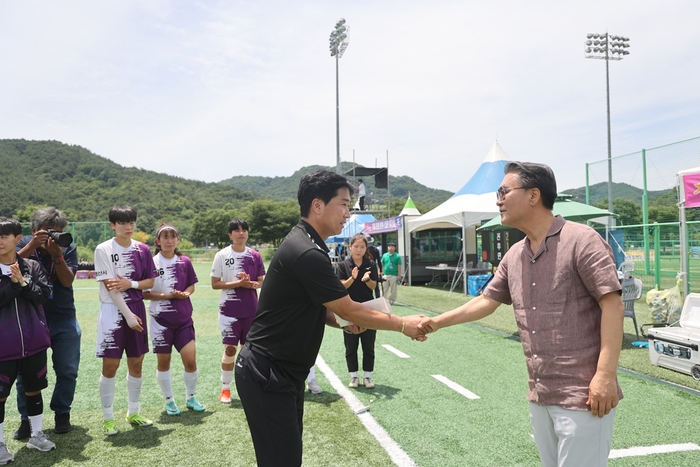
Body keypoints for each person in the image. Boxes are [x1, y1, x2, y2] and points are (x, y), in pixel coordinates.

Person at [418, 162, 624, 467]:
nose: (498, 200)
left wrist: (605, 375)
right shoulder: (514, 255)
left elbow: (612, 304)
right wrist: (436, 322)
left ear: (533, 195)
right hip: (540, 394)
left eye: (503, 191)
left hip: (585, 395)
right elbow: (486, 301)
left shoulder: (582, 240)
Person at [234, 169, 427, 467]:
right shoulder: (307, 252)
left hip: (282, 373)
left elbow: (324, 308)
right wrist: (402, 324)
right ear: (318, 205)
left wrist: (343, 322)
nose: (349, 213)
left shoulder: (310, 246)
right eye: (344, 204)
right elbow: (347, 306)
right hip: (268, 372)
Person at [13, 208, 80, 439]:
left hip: (63, 317)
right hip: (31, 318)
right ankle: (26, 420)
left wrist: (57, 255)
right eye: (47, 232)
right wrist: (31, 246)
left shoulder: (66, 245)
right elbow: (8, 269)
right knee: (26, 374)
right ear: (33, 231)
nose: (54, 236)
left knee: (68, 370)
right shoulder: (22, 243)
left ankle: (62, 413)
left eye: (58, 232)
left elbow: (67, 280)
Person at [94, 205, 157, 436]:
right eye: (122, 223)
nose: (128, 227)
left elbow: (151, 281)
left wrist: (130, 284)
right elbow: (111, 287)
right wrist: (129, 316)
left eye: (131, 222)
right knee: (111, 365)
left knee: (136, 362)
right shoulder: (103, 249)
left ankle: (133, 411)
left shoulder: (142, 249)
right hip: (113, 311)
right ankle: (108, 418)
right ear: (113, 225)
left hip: (137, 306)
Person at [0, 217, 56, 463]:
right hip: (3, 348)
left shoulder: (31, 266)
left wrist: (22, 282)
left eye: (4, 236)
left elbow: (43, 296)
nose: (0, 241)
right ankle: (0, 444)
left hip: (33, 343)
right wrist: (13, 285)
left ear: (16, 238)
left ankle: (36, 435)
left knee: (34, 390)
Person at [143, 224, 205, 416]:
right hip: (160, 322)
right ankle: (169, 400)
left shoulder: (184, 261)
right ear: (158, 241)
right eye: (165, 237)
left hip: (184, 321)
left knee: (190, 361)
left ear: (177, 239)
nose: (169, 240)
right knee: (164, 362)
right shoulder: (151, 263)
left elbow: (191, 286)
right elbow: (145, 293)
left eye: (173, 236)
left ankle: (191, 397)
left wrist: (184, 294)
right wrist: (169, 296)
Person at [211, 219, 265, 404]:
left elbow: (261, 281)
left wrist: (253, 284)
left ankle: (250, 387)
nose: (241, 233)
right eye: (236, 230)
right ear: (230, 235)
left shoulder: (255, 255)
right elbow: (215, 283)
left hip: (251, 310)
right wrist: (238, 284)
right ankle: (225, 389)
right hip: (229, 311)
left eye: (244, 230)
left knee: (249, 352)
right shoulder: (222, 255)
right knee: (230, 349)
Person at [338, 233, 379, 388]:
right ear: (350, 247)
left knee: (369, 345)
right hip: (348, 309)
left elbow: (374, 286)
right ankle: (354, 376)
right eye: (356, 246)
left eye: (362, 247)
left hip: (368, 309)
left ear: (366, 248)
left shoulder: (371, 264)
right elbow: (342, 286)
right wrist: (353, 278)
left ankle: (367, 377)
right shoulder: (344, 265)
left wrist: (367, 279)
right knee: (350, 346)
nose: (359, 249)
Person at [366, 235, 382, 299]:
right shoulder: (375, 249)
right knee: (376, 285)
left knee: (367, 283)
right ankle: (378, 298)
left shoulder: (365, 249)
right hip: (374, 267)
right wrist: (380, 270)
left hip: (365, 267)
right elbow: (378, 261)